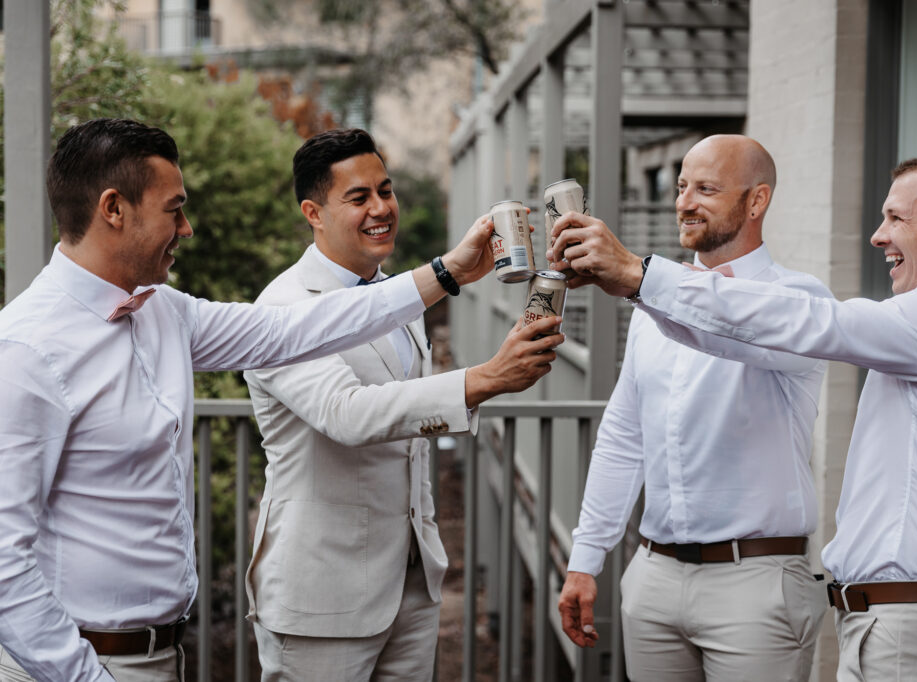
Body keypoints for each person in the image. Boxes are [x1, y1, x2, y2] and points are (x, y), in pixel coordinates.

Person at [0, 118, 498, 682]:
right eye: (174, 210)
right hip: (73, 665)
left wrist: (446, 274)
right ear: (114, 209)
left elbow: (295, 330)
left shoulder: (164, 310)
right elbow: (4, 565)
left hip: (159, 656)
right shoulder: (27, 351)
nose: (186, 229)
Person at [550, 152, 917, 680]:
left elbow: (807, 322)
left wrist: (640, 275)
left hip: (915, 628)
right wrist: (646, 289)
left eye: (896, 218)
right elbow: (625, 432)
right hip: (900, 622)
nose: (878, 235)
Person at [242, 128, 563, 681]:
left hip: (412, 584)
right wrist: (486, 378)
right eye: (358, 197)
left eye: (385, 191)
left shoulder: (401, 297)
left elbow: (409, 434)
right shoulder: (282, 307)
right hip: (323, 595)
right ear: (313, 213)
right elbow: (347, 414)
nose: (381, 208)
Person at [556, 135, 831, 681]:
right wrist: (586, 559)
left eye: (706, 189)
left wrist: (639, 278)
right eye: (681, 187)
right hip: (653, 579)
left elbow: (731, 325)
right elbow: (623, 437)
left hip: (756, 583)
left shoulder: (801, 299)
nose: (684, 202)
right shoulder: (652, 307)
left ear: (757, 201)